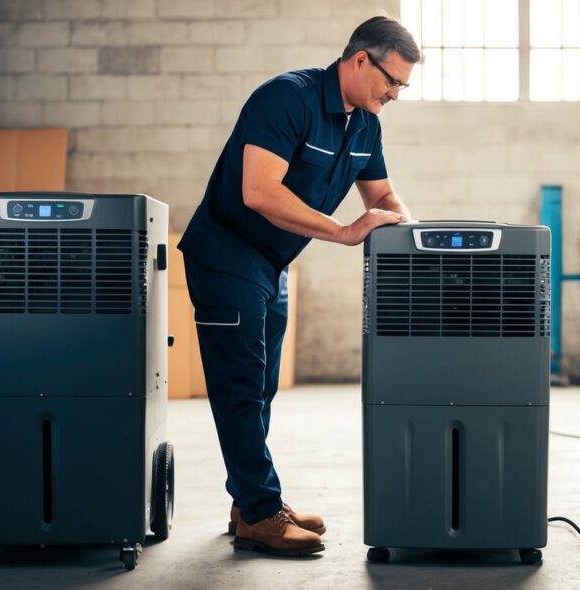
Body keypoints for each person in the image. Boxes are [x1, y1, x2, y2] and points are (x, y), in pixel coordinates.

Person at [177, 16, 422, 557]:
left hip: (273, 263)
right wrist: (342, 231)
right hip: (227, 254)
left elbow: (384, 199)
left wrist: (411, 233)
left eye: (404, 85)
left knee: (262, 387)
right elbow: (259, 192)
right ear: (361, 60)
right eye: (392, 81)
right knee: (240, 387)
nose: (397, 94)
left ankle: (250, 504)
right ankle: (262, 513)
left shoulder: (366, 125)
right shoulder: (286, 99)